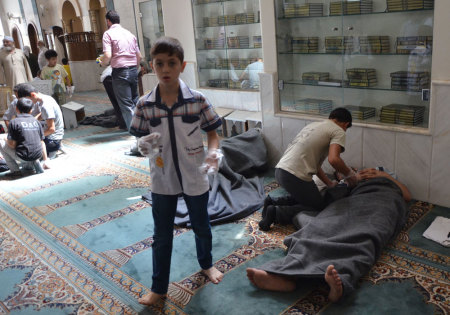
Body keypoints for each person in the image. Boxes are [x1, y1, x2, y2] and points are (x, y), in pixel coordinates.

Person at [130, 37, 224, 306]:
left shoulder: (197, 100)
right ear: (151, 66)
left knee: (201, 225)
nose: (165, 69)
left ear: (182, 66)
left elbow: (213, 134)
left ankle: (206, 264)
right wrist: (148, 147)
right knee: (161, 235)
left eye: (171, 63)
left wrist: (213, 157)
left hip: (195, 173)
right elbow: (137, 139)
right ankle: (159, 287)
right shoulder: (145, 105)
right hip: (162, 178)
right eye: (159, 64)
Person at [247, 168, 411, 302]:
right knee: (319, 226)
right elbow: (340, 189)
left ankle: (339, 280)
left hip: (382, 204)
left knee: (364, 234)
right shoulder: (357, 180)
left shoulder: (390, 183)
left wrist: (385, 176)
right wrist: (353, 178)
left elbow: (407, 195)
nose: (371, 172)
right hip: (354, 201)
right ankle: (285, 276)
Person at [259, 107, 358, 231]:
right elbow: (334, 159)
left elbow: (316, 166)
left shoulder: (314, 125)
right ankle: (276, 213)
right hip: (295, 176)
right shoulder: (338, 130)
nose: (344, 131)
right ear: (346, 124)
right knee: (317, 206)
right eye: (346, 129)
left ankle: (273, 201)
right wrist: (350, 174)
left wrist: (329, 183)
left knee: (305, 198)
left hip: (280, 170)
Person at [102, 10, 142, 154]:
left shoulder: (108, 34)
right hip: (133, 71)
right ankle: (144, 132)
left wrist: (102, 63)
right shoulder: (130, 34)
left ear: (108, 21)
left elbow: (107, 55)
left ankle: (138, 142)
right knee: (136, 103)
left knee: (126, 106)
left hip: (120, 72)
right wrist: (134, 69)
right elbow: (139, 56)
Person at [17, 83, 64, 161]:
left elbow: (52, 129)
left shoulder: (45, 105)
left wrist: (34, 137)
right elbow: (43, 115)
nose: (28, 104)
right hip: (54, 135)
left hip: (52, 140)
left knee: (24, 144)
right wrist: (31, 120)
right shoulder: (45, 98)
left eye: (27, 100)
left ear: (33, 95)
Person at [0, 97, 45, 176]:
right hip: (38, 154)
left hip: (23, 156)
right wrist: (45, 159)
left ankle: (15, 171)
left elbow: (12, 145)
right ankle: (34, 162)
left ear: (16, 109)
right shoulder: (36, 121)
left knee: (1, 140)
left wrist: (6, 140)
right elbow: (41, 142)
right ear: (31, 110)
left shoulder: (14, 122)